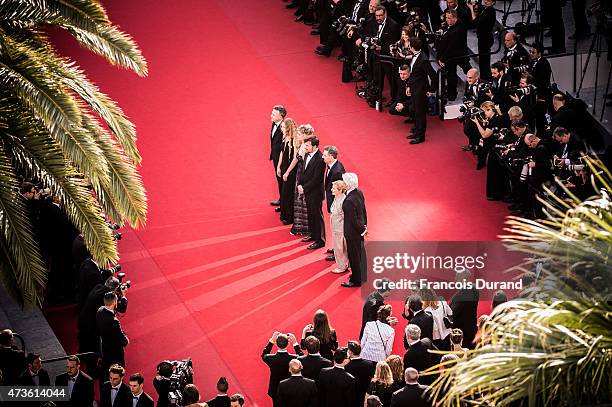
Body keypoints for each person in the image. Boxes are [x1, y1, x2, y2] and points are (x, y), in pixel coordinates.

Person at [405, 37, 436, 144]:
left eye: (409, 45)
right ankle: (417, 132)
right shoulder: (415, 55)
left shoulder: (423, 59)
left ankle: (420, 136)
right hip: (414, 88)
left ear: (412, 47)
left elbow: (433, 75)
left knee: (420, 113)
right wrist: (409, 86)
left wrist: (432, 90)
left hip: (421, 91)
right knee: (415, 111)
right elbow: (412, 73)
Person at [341, 172, 368, 287]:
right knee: (360, 254)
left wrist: (361, 229)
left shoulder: (348, 201)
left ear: (347, 185)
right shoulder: (359, 193)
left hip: (352, 233)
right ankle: (362, 275)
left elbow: (353, 220)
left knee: (354, 256)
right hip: (360, 230)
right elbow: (363, 211)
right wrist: (364, 226)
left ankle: (356, 280)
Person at [298, 136, 326, 249]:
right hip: (307, 190)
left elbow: (317, 179)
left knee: (317, 215)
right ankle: (313, 235)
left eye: (307, 145)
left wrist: (304, 188)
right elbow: (303, 170)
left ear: (315, 146)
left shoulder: (320, 159)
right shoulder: (306, 154)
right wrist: (299, 183)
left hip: (315, 192)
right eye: (305, 145)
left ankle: (320, 240)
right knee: (310, 214)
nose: (305, 147)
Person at [437, 9, 471, 101]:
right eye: (446, 17)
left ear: (455, 18)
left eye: (449, 18)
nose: (447, 20)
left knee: (469, 71)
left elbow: (451, 47)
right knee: (451, 75)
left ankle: (471, 91)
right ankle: (452, 94)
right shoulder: (450, 25)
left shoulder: (458, 29)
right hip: (451, 56)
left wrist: (442, 58)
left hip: (459, 55)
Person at [262, 332, 303, 405]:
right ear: (288, 344)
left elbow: (264, 354)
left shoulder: (270, 358)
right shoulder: (294, 358)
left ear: (276, 344)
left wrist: (272, 340)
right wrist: (295, 343)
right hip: (290, 389)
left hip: (275, 389)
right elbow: (302, 357)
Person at [323, 145, 346, 262]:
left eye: (325, 155)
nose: (323, 157)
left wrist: (333, 206)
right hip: (333, 201)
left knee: (338, 231)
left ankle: (338, 253)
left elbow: (339, 191)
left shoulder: (337, 171)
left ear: (331, 157)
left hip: (336, 204)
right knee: (334, 229)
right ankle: (336, 249)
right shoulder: (332, 165)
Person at [97, 292, 129, 374]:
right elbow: (122, 339)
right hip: (115, 350)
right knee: (118, 369)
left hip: (104, 345)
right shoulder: (114, 321)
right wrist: (126, 340)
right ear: (114, 302)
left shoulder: (100, 311)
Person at [291, 124, 314, 236]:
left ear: (306, 134)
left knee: (303, 201)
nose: (298, 135)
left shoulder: (307, 147)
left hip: (303, 176)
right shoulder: (302, 145)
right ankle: (300, 226)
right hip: (299, 174)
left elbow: (306, 164)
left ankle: (305, 228)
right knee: (299, 200)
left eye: (300, 134)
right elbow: (297, 159)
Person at [471, 100, 505, 170]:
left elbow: (484, 135)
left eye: (485, 111)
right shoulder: (492, 117)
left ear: (490, 110)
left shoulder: (495, 120)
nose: (484, 113)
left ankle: (482, 162)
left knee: (483, 144)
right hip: (491, 138)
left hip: (493, 140)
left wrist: (476, 122)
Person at [277, 118, 299, 225]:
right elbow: (282, 152)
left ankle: (290, 217)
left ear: (288, 127)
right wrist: (279, 166)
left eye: (283, 127)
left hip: (291, 169)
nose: (281, 129)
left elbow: (295, 158)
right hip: (285, 166)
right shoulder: (285, 137)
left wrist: (288, 172)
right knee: (284, 191)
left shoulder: (294, 140)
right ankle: (284, 213)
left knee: (289, 192)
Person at [450, 270, 479, 349]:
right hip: (470, 328)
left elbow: (454, 310)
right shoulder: (473, 288)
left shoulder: (466, 291)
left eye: (457, 277)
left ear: (463, 278)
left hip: (463, 331)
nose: (455, 279)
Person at [468, 0, 496, 80]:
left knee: (484, 61)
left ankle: (486, 77)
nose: (486, 2)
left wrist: (471, 8)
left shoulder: (489, 12)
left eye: (489, 1)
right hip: (483, 37)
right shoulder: (485, 9)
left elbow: (475, 22)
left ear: (493, 2)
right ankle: (485, 76)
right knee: (483, 60)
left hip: (485, 39)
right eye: (486, 0)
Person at [346, 341, 376, 407]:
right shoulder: (369, 364)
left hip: (350, 397)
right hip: (363, 396)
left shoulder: (346, 365)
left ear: (350, 352)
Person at [329, 180, 349, 273]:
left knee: (340, 248)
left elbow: (345, 216)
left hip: (340, 229)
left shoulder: (343, 200)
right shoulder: (337, 197)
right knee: (340, 247)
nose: (331, 189)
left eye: (334, 188)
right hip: (336, 227)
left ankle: (341, 266)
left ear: (340, 190)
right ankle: (345, 264)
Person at [269, 105, 287, 207]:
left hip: (282, 159)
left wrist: (280, 161)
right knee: (278, 179)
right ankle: (282, 200)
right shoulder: (274, 123)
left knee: (282, 179)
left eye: (274, 114)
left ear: (281, 115)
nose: (271, 116)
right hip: (276, 156)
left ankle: (283, 203)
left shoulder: (284, 127)